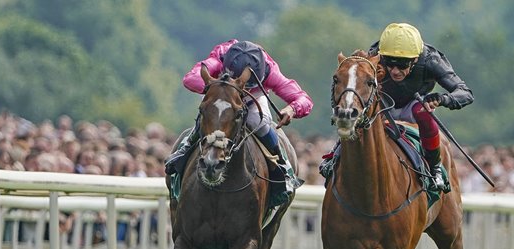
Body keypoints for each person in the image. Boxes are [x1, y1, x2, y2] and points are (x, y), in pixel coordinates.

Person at [321, 23, 474, 191]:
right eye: (389, 64)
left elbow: (465, 93)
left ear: (415, 59)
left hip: (415, 106)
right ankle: (336, 154)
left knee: (422, 111)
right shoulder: (375, 55)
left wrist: (442, 98)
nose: (394, 71)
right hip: (383, 106)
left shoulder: (431, 60)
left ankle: (434, 167)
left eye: (401, 65)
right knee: (357, 109)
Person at [165, 39, 314, 202]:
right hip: (220, 92)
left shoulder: (270, 70)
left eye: (247, 84)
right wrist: (216, 88)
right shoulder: (221, 55)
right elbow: (190, 78)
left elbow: (303, 98)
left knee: (260, 123)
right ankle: (185, 150)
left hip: (253, 99)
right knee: (210, 116)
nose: (243, 86)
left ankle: (283, 167)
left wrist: (292, 109)